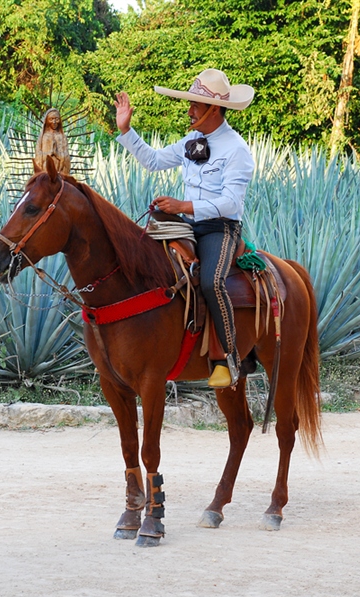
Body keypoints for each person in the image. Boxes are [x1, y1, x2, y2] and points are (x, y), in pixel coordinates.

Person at [114, 68, 255, 388]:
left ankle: (229, 359)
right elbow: (153, 160)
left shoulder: (236, 150)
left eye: (195, 105)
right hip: (187, 224)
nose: (189, 110)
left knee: (211, 282)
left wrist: (182, 207)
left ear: (214, 109)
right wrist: (126, 130)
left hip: (220, 229)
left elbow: (231, 203)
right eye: (189, 103)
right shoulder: (193, 140)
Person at [35, 108, 71, 175]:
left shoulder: (62, 137)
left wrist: (58, 155)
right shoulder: (43, 137)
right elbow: (38, 155)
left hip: (60, 173)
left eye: (56, 119)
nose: (54, 122)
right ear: (46, 120)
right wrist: (49, 154)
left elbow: (67, 157)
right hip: (45, 172)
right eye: (51, 119)